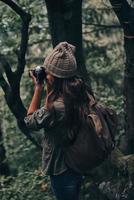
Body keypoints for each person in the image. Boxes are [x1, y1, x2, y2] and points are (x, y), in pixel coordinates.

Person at [24, 42, 91, 200]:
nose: (45, 75)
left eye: (48, 73)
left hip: (62, 170)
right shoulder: (80, 92)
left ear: (56, 78)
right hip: (77, 162)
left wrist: (39, 87)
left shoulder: (57, 107)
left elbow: (30, 120)